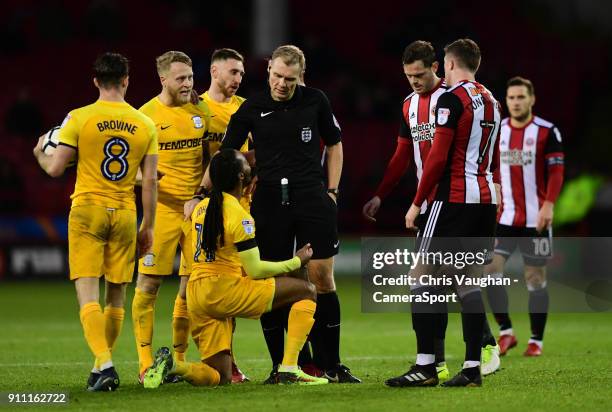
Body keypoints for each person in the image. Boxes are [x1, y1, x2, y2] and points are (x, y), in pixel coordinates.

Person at [216, 44, 360, 383]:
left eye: (290, 79)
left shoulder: (316, 100)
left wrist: (333, 190)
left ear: (301, 76)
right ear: (268, 69)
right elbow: (227, 154)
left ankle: (332, 364)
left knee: (322, 278)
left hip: (312, 198)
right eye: (278, 76)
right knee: (274, 283)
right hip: (269, 202)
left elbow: (335, 143)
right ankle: (282, 366)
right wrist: (228, 185)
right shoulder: (252, 108)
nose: (282, 84)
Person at [144, 149, 328, 386]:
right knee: (307, 291)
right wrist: (297, 261)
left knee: (219, 377)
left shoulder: (199, 209)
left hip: (197, 295)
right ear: (241, 176)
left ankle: (174, 365)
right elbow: (255, 271)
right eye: (245, 165)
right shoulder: (239, 217)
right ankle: (290, 368)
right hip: (224, 291)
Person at [33, 52, 158, 391]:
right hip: (126, 213)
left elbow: (56, 168)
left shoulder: (79, 118)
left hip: (88, 209)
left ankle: (104, 364)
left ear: (95, 82)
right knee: (115, 297)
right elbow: (149, 181)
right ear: (126, 80)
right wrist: (149, 225)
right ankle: (99, 367)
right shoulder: (145, 123)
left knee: (87, 293)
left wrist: (39, 152)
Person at [400, 38, 502, 387]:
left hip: (453, 200)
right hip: (485, 200)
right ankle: (472, 367)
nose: (441, 68)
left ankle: (426, 364)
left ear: (453, 63)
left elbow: (438, 159)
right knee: (468, 282)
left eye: (444, 62)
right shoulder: (491, 100)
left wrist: (417, 203)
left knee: (421, 277)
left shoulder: (450, 99)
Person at [131, 50, 209, 383]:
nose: (188, 84)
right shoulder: (144, 116)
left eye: (190, 77)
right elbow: (126, 171)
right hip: (160, 212)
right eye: (180, 78)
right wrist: (147, 179)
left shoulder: (199, 110)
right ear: (163, 79)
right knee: (148, 284)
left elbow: (210, 158)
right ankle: (145, 362)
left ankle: (177, 361)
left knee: (189, 289)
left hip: (194, 212)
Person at [484, 76, 564, 357]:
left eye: (521, 97)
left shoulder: (546, 131)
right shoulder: (498, 131)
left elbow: (556, 172)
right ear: (506, 101)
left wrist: (549, 205)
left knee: (535, 278)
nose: (516, 102)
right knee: (490, 272)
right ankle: (506, 332)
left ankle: (536, 341)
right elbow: (489, 166)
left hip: (536, 220)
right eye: (511, 98)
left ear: (532, 99)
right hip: (504, 219)